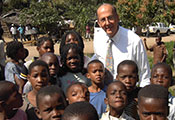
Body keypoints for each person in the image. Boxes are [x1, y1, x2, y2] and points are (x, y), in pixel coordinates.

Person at [93, 3, 150, 87]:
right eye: (103, 20)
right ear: (99, 23)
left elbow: (144, 74)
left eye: (110, 18)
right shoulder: (98, 39)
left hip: (128, 93)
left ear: (117, 17)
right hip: (105, 91)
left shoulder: (134, 40)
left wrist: (142, 96)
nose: (107, 23)